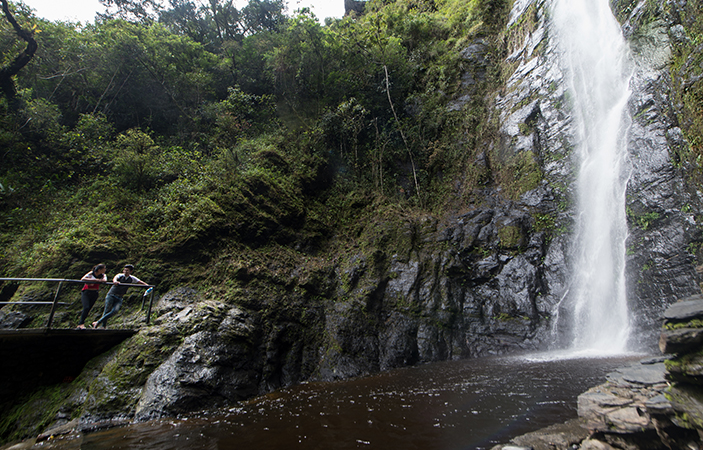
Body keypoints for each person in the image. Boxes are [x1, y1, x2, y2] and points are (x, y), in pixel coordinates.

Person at [92, 264, 148, 329]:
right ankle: (103, 326)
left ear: (131, 271)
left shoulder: (132, 278)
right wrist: (115, 282)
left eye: (127, 270)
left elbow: (140, 282)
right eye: (124, 270)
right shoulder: (120, 275)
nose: (125, 271)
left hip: (120, 297)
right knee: (107, 310)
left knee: (115, 310)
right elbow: (115, 278)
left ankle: (97, 322)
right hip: (111, 295)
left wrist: (148, 286)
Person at [77, 263, 107, 330]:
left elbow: (105, 280)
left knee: (88, 309)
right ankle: (80, 324)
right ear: (99, 269)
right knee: (86, 307)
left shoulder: (102, 275)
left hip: (95, 293)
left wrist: (97, 280)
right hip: (86, 292)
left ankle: (81, 323)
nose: (105, 270)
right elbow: (83, 279)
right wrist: (96, 280)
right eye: (104, 268)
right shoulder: (91, 273)